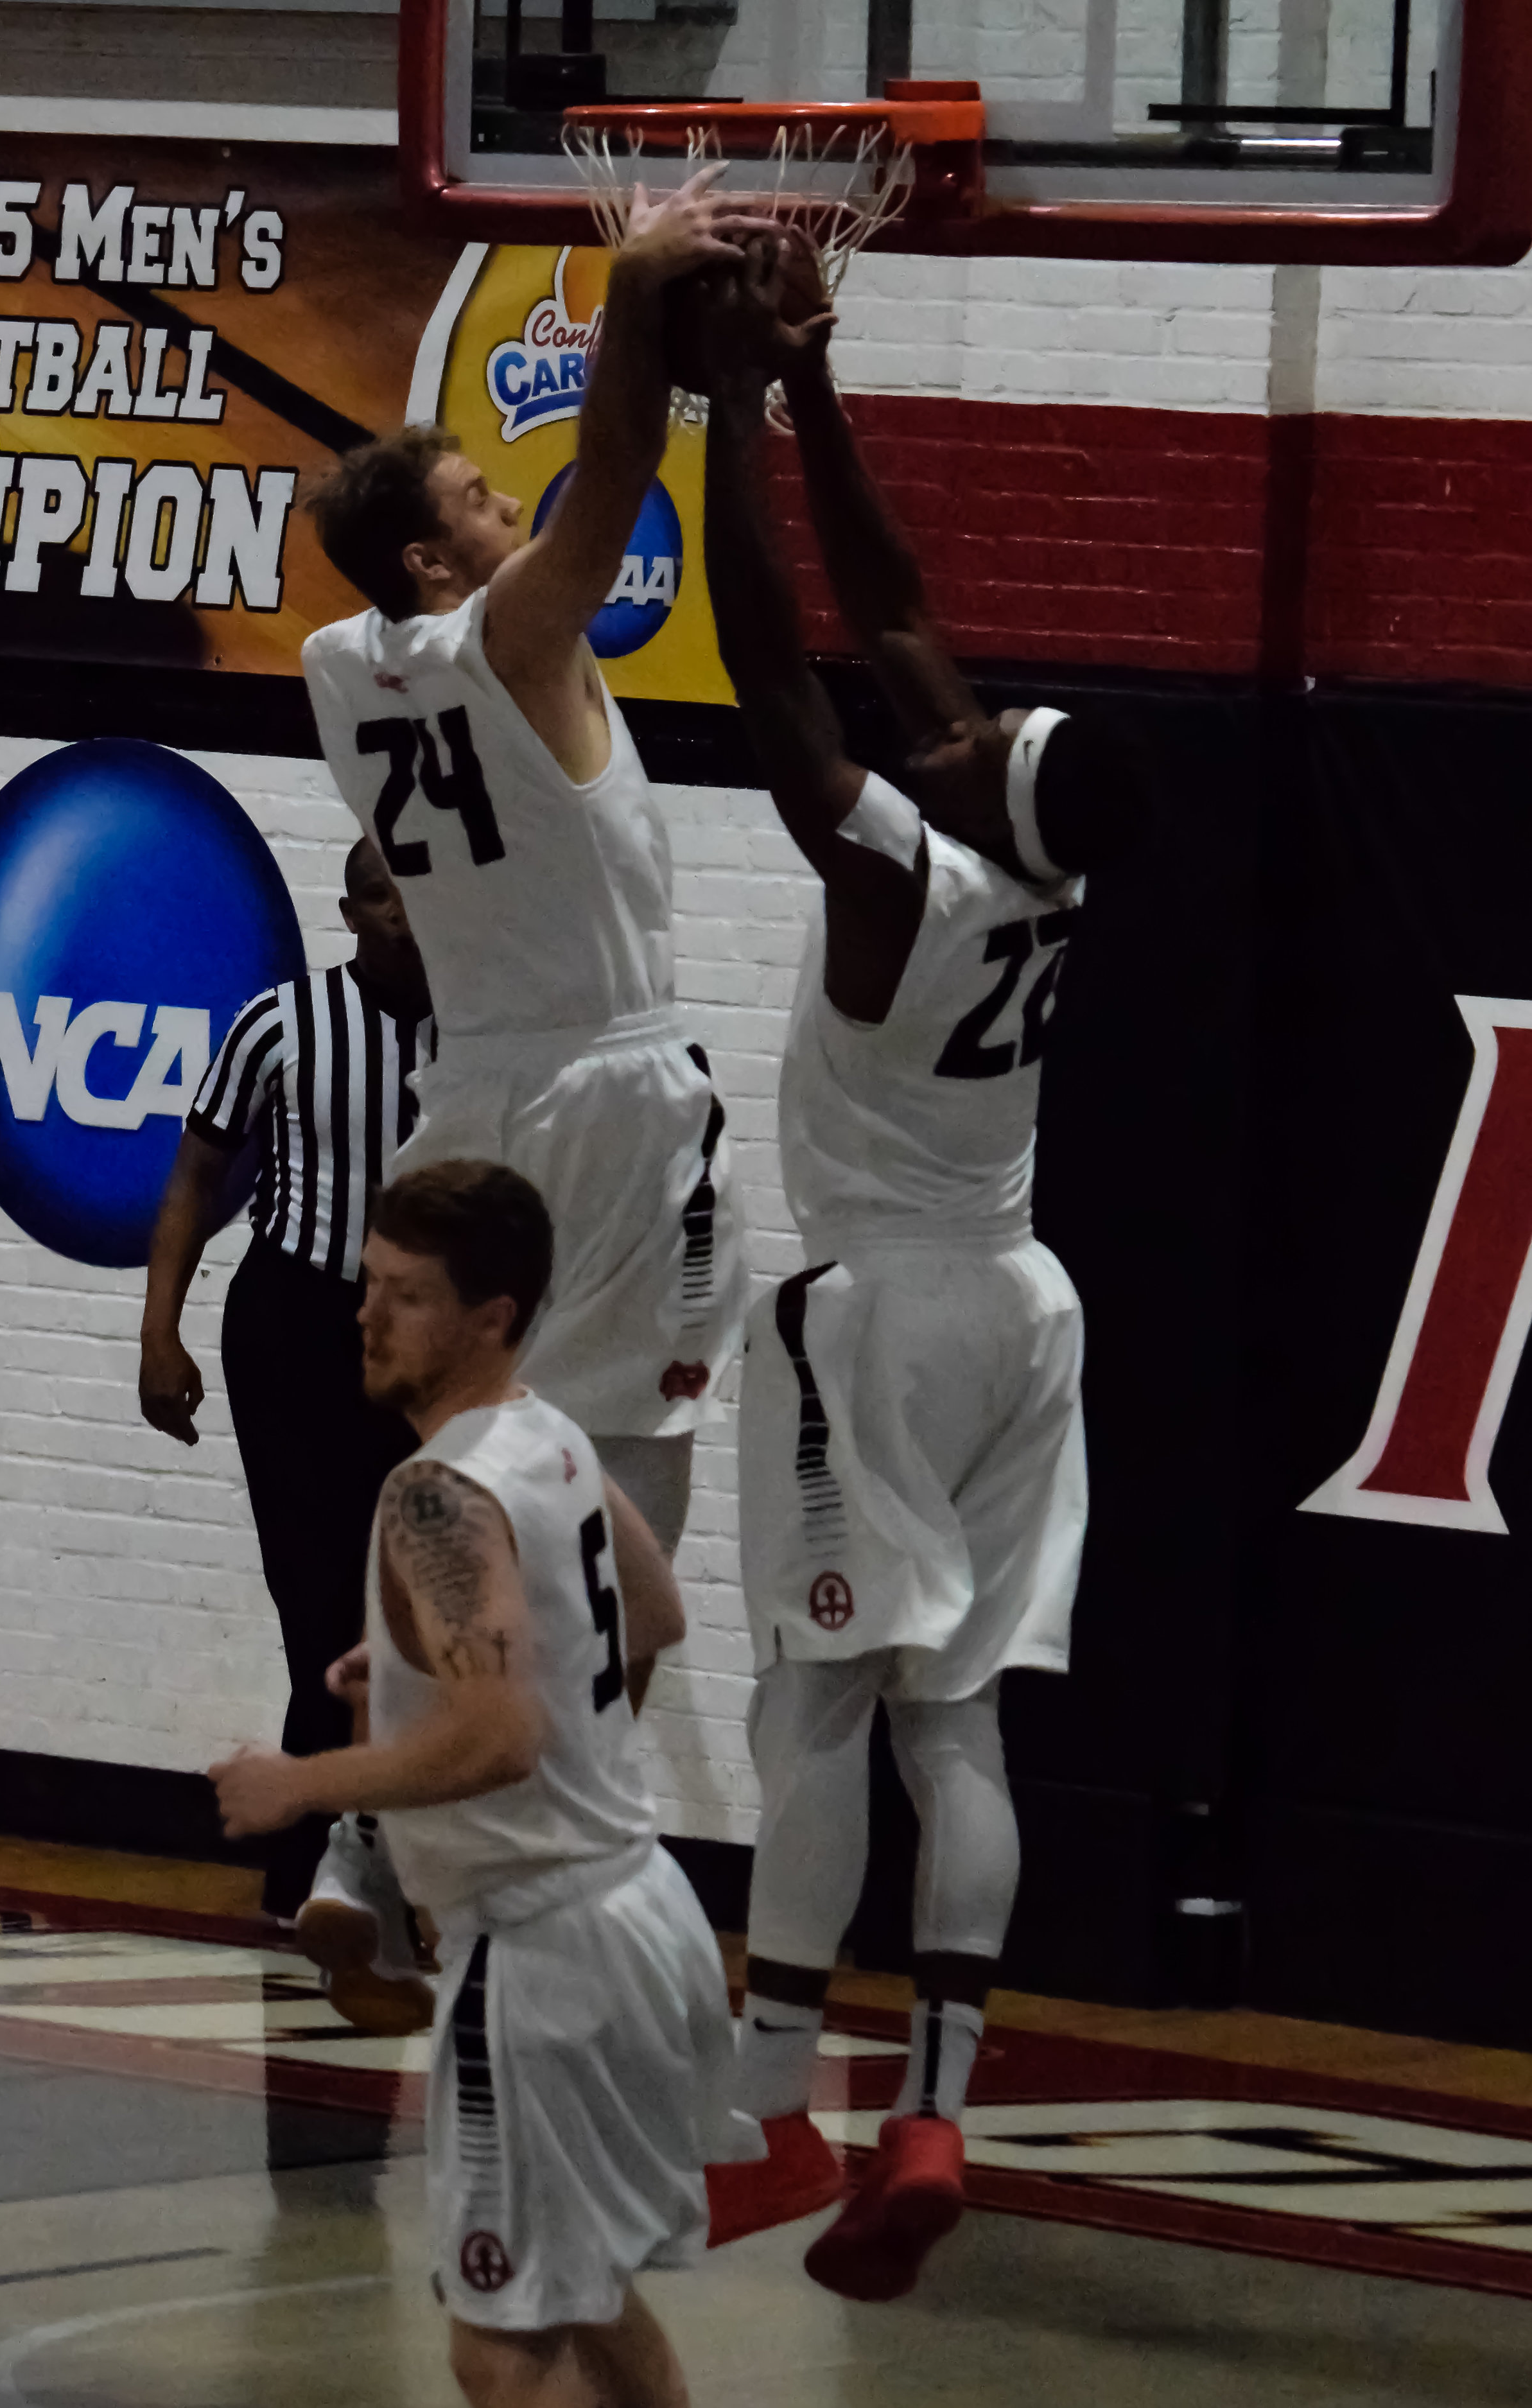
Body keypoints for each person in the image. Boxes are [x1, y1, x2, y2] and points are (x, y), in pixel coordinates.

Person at [695, 245, 1145, 2301]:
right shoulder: (1029, 859)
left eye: (977, 731)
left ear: (981, 785)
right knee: (955, 1725)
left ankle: (765, 2105)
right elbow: (894, 616)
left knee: (812, 1707)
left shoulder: (893, 867)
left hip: (870, 1311)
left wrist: (716, 415)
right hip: (1019, 1304)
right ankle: (937, 2097)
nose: (951, 717)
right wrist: (818, 387)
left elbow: (779, 653)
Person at [210, 1159, 753, 2408]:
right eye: (370, 1286)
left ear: (491, 1316)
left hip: (540, 1956)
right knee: (588, 2294)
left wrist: (300, 1783)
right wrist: (415, 1675)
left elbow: (499, 1740)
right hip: (641, 1914)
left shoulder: (434, 1492)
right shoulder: (546, 1434)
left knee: (495, 2341)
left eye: (406, 1295)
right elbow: (653, 1609)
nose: (366, 1313)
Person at [298, 171, 762, 1567]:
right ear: (436, 564)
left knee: (465, 1435)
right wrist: (631, 291)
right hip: (602, 1092)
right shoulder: (506, 638)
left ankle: (456, 1712)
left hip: (469, 1089)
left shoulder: (335, 668)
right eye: (484, 501)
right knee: (630, 1455)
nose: (516, 506)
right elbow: (612, 479)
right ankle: (572, 1734)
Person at [139, 837, 436, 1994]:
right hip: (294, 1322)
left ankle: (327, 1855)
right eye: (385, 894)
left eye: (423, 892)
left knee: (395, 1608)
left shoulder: (478, 1034)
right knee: (316, 1600)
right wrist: (158, 1334)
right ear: (351, 908)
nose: (407, 915)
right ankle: (321, 1864)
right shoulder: (281, 1021)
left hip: (414, 1338)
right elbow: (190, 1181)